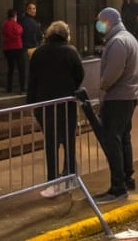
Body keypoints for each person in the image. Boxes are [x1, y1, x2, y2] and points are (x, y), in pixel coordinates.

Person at [27, 21, 85, 198]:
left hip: (44, 104)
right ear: (66, 34)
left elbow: (32, 80)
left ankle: (52, 181)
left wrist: (32, 104)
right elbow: (79, 74)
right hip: (66, 103)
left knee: (51, 143)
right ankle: (70, 175)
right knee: (69, 141)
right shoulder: (71, 52)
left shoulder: (38, 53)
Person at [93, 7, 138, 204]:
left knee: (113, 140)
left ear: (108, 22)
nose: (98, 25)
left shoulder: (118, 41)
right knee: (124, 138)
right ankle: (127, 178)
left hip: (118, 97)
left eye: (100, 21)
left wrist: (102, 87)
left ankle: (118, 187)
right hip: (128, 96)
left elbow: (113, 72)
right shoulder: (129, 38)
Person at [2, 8, 25, 92]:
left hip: (8, 49)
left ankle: (9, 88)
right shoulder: (16, 25)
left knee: (10, 69)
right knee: (21, 68)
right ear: (15, 16)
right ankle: (22, 88)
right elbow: (20, 31)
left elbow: (4, 33)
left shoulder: (5, 24)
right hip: (17, 48)